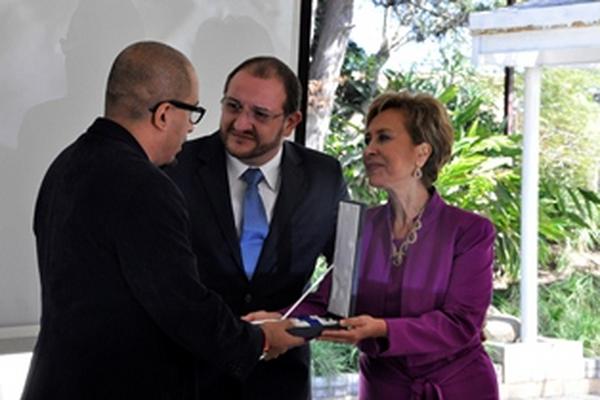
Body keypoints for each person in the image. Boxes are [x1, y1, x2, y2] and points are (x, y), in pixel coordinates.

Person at [21, 41, 304, 400]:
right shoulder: (144, 185)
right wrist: (259, 339)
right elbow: (181, 305)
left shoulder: (66, 163)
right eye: (192, 113)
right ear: (165, 114)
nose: (191, 129)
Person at [247, 91, 499, 399]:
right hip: (382, 388)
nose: (369, 150)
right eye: (368, 140)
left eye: (384, 138)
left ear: (422, 153)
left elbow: (461, 323)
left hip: (458, 387)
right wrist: (279, 319)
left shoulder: (470, 231)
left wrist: (383, 329)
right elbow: (330, 303)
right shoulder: (359, 225)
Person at [166, 56, 348, 399]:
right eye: (233, 106)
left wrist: (296, 322)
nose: (240, 123)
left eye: (260, 115)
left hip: (282, 378)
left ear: (291, 122)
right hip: (190, 375)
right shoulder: (176, 167)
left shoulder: (323, 177)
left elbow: (347, 275)